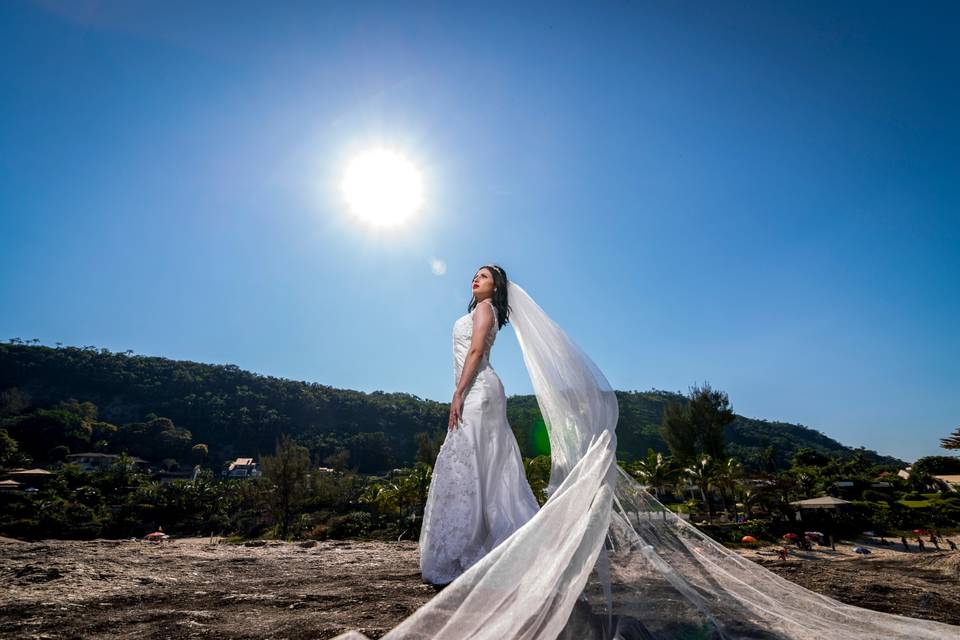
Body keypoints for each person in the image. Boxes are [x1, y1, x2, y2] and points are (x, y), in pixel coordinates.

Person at [418, 265, 540, 586]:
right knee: (473, 460)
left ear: (495, 287)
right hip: (475, 388)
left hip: (479, 390)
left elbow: (475, 350)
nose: (476, 278)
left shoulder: (486, 309)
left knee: (471, 459)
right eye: (474, 274)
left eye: (484, 276)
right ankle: (472, 543)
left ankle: (475, 546)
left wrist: (458, 392)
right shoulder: (478, 310)